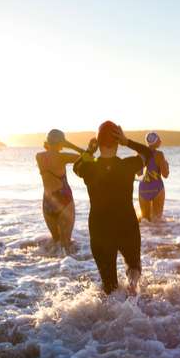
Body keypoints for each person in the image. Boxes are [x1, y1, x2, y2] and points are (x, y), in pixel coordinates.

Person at [73, 121, 152, 295]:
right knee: (133, 267)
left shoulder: (88, 167)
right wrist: (128, 141)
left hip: (100, 228)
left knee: (109, 287)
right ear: (117, 143)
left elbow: (75, 166)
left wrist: (89, 150)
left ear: (98, 143)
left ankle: (110, 316)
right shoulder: (128, 165)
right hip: (127, 225)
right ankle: (132, 289)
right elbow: (149, 153)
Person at [36, 129, 94, 251]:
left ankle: (53, 268)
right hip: (63, 199)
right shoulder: (63, 157)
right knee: (65, 245)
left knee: (56, 242)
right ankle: (70, 267)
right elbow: (90, 158)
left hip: (47, 201)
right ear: (61, 142)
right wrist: (70, 145)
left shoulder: (39, 157)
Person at [138, 132, 170, 222]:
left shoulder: (140, 153)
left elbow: (139, 174)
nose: (160, 141)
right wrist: (167, 166)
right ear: (155, 142)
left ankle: (147, 236)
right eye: (159, 139)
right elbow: (165, 175)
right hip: (157, 188)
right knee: (157, 221)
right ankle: (157, 236)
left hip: (143, 188)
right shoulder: (159, 154)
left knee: (145, 220)